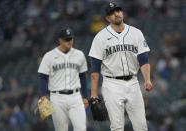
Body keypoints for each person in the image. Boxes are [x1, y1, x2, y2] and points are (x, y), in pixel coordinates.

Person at [88, 2, 153, 131]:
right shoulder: (100, 37)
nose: (116, 14)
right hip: (112, 84)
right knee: (117, 127)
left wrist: (147, 79)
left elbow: (144, 59)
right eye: (112, 13)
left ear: (122, 13)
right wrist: (94, 94)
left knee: (141, 126)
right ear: (107, 18)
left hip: (133, 82)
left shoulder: (136, 33)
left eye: (118, 11)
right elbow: (95, 68)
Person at [38, 27, 88, 131]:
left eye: (71, 39)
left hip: (76, 97)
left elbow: (83, 76)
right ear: (60, 40)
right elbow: (43, 77)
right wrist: (43, 96)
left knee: (81, 128)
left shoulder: (79, 55)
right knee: (61, 129)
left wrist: (85, 96)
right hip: (57, 98)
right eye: (66, 39)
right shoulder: (49, 56)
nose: (69, 41)